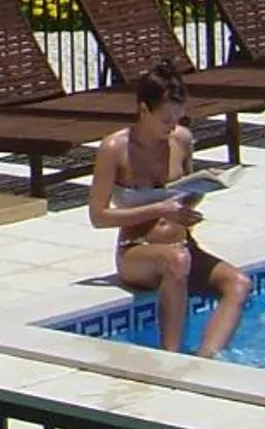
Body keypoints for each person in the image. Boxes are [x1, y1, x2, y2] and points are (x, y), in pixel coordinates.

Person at [88, 60, 251, 356]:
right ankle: (170, 356)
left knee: (238, 283)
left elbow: (186, 192)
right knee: (177, 261)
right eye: (165, 120)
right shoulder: (114, 149)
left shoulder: (182, 141)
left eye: (177, 119)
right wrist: (159, 210)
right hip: (137, 249)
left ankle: (206, 358)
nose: (172, 127)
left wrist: (196, 198)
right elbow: (98, 217)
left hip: (183, 244)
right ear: (144, 110)